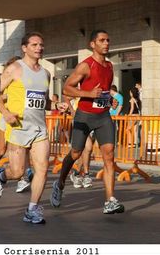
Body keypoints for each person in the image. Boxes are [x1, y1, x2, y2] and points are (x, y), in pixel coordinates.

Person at [0, 32, 67, 224]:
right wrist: (5, 113)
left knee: (42, 169)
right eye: (34, 45)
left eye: (41, 45)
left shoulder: (46, 73)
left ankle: (32, 209)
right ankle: (1, 174)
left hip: (39, 129)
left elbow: (44, 102)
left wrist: (56, 106)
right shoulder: (15, 69)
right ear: (24, 48)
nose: (39, 48)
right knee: (17, 173)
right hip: (18, 127)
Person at [50, 29, 125, 214]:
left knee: (109, 156)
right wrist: (87, 94)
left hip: (103, 117)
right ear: (93, 44)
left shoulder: (109, 66)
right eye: (102, 40)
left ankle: (110, 200)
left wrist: (111, 100)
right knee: (75, 154)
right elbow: (67, 89)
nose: (106, 43)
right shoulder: (86, 66)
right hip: (84, 116)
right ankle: (59, 183)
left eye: (108, 40)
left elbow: (104, 92)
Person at [0, 59, 34, 193]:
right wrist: (8, 96)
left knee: (25, 148)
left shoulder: (25, 79)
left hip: (18, 117)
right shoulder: (5, 78)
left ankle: (22, 178)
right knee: (2, 149)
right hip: (4, 116)